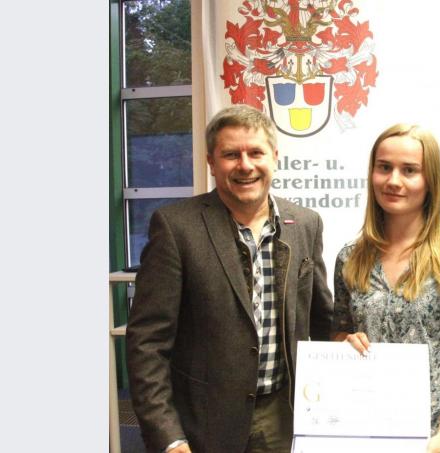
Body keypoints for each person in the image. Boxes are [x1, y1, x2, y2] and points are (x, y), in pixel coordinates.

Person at [126, 104, 333, 453]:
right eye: (230, 154)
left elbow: (322, 319)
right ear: (211, 161)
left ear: (275, 156)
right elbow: (147, 344)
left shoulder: (306, 223)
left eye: (256, 152)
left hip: (287, 415)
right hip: (204, 424)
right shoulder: (176, 227)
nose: (245, 165)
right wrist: (168, 436)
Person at [332, 124, 440, 453]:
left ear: (430, 180)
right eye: (384, 167)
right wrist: (345, 342)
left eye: (409, 170)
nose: (393, 181)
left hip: (429, 441)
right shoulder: (350, 257)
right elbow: (340, 333)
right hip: (358, 436)